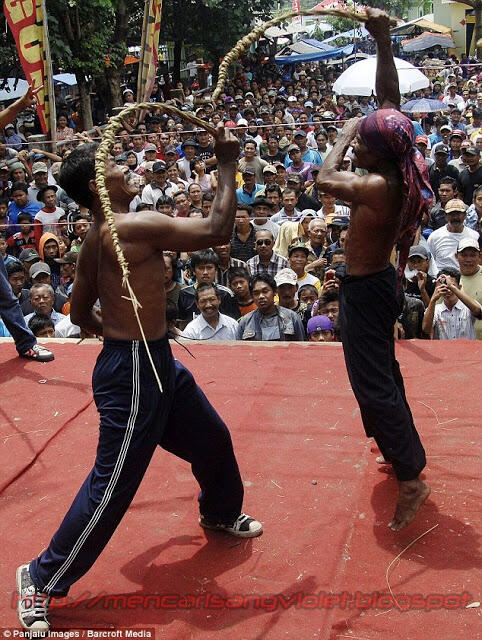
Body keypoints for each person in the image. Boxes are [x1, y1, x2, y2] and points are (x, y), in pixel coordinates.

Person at [16, 129, 262, 632]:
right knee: (112, 488)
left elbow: (81, 312)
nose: (125, 167)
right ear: (96, 186)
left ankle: (218, 512)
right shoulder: (130, 226)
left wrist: (137, 331)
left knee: (212, 440)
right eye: (113, 165)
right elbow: (219, 228)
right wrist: (226, 161)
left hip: (150, 360)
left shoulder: (94, 238)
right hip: (132, 371)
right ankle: (40, 579)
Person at [317, 9, 432, 532]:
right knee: (385, 373)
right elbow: (389, 104)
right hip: (376, 283)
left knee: (373, 384)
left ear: (377, 152)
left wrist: (342, 134)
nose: (358, 145)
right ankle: (398, 448)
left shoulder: (372, 185)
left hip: (366, 290)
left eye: (364, 141)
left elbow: (322, 178)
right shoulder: (393, 165)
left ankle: (411, 477)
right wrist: (383, 41)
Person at [236, 273, 305, 341]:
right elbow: (239, 349)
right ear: (252, 296)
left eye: (265, 291)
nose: (261, 296)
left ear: (275, 292)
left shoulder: (292, 317)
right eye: (256, 293)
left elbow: (301, 347)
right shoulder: (245, 322)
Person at [422, 269, 482, 339]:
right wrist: (433, 300)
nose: (448, 290)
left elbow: (478, 312)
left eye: (451, 286)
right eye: (444, 286)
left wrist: (452, 287)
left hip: (466, 349)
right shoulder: (435, 309)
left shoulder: (468, 306)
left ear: (459, 288)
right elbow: (426, 330)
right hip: (443, 349)